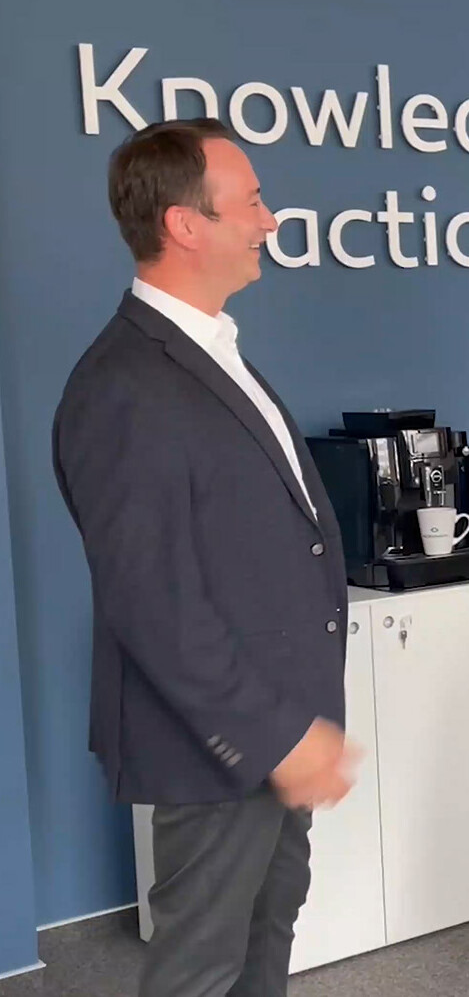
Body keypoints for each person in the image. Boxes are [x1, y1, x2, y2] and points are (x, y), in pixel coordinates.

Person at [52, 118, 357, 997]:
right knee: (201, 969)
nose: (270, 218)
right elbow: (150, 598)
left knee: (268, 929)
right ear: (187, 225)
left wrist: (294, 728)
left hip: (278, 726)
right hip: (220, 741)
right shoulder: (122, 383)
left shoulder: (211, 351)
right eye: (253, 201)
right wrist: (269, 736)